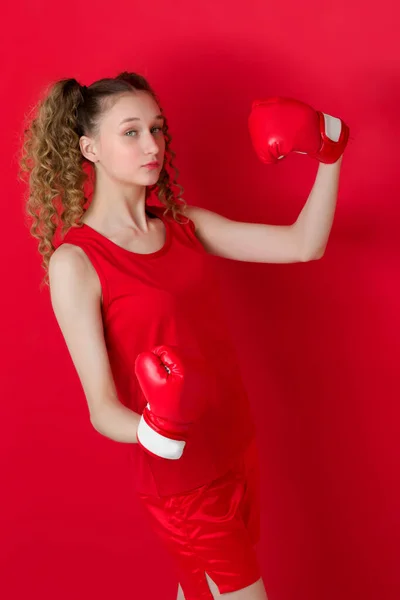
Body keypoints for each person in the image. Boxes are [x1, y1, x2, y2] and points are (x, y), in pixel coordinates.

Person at [19, 72, 349, 600]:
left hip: (236, 445)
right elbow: (102, 408)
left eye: (157, 128)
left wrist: (332, 153)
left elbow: (303, 245)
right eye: (131, 132)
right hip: (183, 480)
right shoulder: (77, 261)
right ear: (89, 147)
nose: (152, 145)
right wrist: (158, 429)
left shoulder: (182, 226)